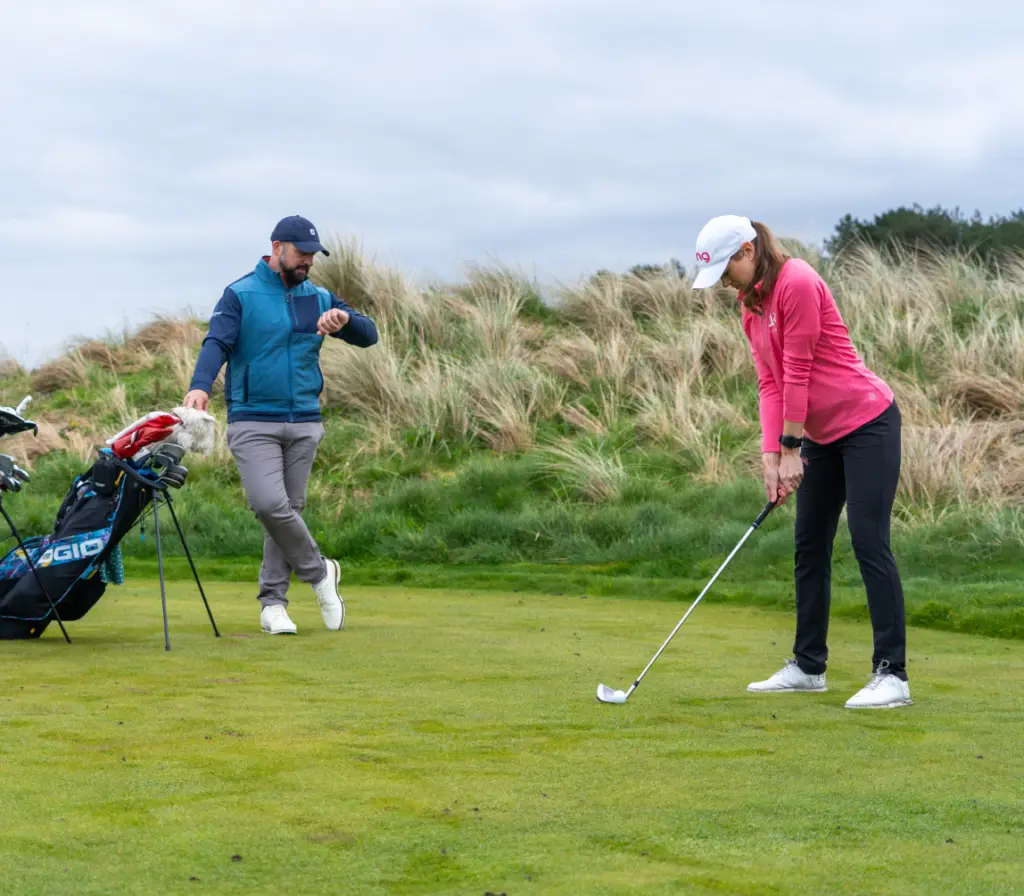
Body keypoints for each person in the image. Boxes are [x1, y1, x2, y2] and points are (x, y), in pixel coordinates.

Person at [691, 214, 911, 709]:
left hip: (867, 423)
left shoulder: (798, 282)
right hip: (817, 435)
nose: (724, 282)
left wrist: (792, 449)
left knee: (869, 541)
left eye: (726, 269)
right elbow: (769, 384)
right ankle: (809, 666)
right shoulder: (751, 306)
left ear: (748, 250)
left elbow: (799, 371)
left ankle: (892, 674)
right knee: (809, 543)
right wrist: (772, 457)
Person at [183, 215, 378, 636]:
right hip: (253, 419)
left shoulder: (319, 297)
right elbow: (216, 342)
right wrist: (201, 387)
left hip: (305, 420)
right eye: (301, 253)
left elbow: (370, 334)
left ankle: (273, 605)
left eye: (313, 254)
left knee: (286, 513)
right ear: (277, 248)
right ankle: (320, 572)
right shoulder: (241, 294)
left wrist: (345, 321)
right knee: (269, 504)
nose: (308, 261)